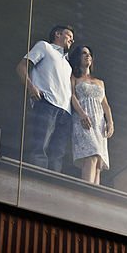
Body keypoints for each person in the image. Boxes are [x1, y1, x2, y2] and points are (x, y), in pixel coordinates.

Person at [16, 25, 74, 171]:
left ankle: (52, 186)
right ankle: (37, 180)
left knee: (57, 154)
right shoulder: (45, 47)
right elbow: (21, 67)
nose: (72, 40)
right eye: (69, 36)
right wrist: (31, 87)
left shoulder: (68, 65)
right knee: (39, 147)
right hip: (47, 104)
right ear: (58, 34)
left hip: (65, 112)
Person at [68, 45, 114, 185]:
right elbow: (72, 96)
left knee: (98, 160)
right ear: (78, 58)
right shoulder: (74, 78)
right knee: (91, 155)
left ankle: (94, 191)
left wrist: (110, 122)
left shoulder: (100, 82)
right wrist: (82, 114)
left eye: (89, 54)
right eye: (83, 53)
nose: (87, 56)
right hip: (83, 120)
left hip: (99, 121)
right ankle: (86, 190)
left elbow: (105, 105)